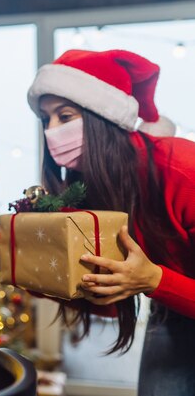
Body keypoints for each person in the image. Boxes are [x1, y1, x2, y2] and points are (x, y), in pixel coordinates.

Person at [19, 49, 195, 395]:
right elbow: (111, 306)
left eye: (65, 116)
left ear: (103, 115)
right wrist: (31, 272)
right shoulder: (90, 189)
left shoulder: (182, 171)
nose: (52, 131)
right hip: (173, 306)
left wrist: (155, 280)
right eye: (45, 119)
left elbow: (151, 282)